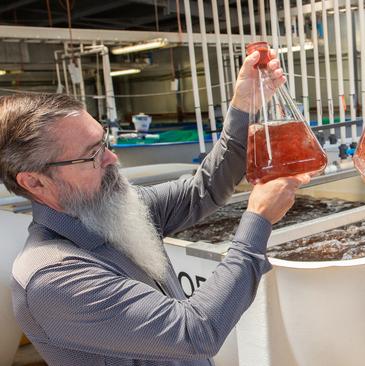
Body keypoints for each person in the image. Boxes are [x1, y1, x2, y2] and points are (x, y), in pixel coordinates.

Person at [2, 50, 308, 365]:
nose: (112, 159)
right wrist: (257, 220)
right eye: (91, 155)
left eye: (105, 144)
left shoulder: (109, 211)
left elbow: (201, 192)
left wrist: (244, 106)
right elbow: (195, 332)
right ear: (34, 182)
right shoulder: (52, 279)